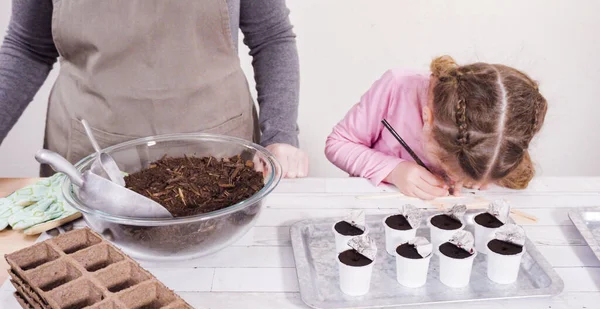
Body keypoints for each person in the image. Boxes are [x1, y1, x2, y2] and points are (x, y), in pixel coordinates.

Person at [0, 0, 308, 178]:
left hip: (219, 158)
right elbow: (27, 46)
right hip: (91, 164)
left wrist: (280, 134)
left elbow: (271, 36)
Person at [325, 56, 547, 200]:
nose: (450, 174)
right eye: (446, 164)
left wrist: (474, 176)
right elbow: (338, 144)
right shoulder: (397, 86)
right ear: (426, 119)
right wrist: (394, 171)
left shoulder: (494, 128)